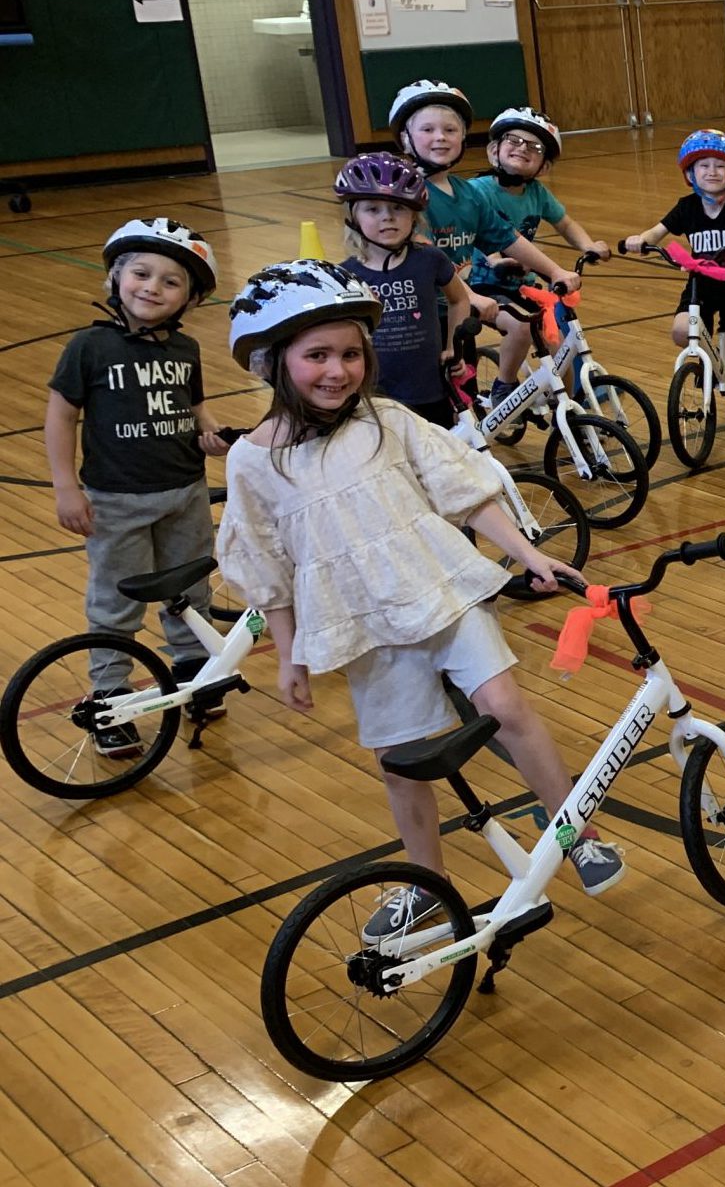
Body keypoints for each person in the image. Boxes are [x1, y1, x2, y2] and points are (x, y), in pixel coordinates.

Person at [214, 260, 626, 927]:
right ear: (271, 362)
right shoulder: (252, 459)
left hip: (438, 587)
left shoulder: (386, 420)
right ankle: (427, 884)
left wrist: (527, 554)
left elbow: (462, 490)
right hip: (362, 620)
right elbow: (268, 566)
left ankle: (576, 830)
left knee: (503, 705)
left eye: (350, 353)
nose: (337, 370)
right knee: (400, 764)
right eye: (316, 355)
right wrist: (289, 655)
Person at [44, 219, 231, 756]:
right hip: (115, 500)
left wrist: (209, 433)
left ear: (190, 298)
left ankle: (193, 670)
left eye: (170, 281)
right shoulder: (90, 347)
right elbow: (60, 418)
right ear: (116, 278)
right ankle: (109, 697)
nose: (152, 287)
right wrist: (65, 488)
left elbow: (193, 406)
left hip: (185, 490)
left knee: (188, 591)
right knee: (116, 602)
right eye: (141, 274)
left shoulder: (186, 348)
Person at [619, 129, 725, 433]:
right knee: (678, 333)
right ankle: (711, 360)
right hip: (701, 288)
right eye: (703, 165)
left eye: (719, 166)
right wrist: (640, 240)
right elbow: (656, 233)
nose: (711, 172)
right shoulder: (686, 208)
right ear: (690, 173)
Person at [386, 80, 574, 357]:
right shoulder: (406, 195)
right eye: (427, 129)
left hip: (458, 311)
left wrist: (555, 270)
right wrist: (470, 295)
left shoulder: (468, 194)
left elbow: (508, 238)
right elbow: (427, 255)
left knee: (465, 388)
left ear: (463, 137)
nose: (440, 137)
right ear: (405, 138)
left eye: (450, 130)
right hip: (419, 317)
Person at [464, 108, 610, 398]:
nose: (522, 149)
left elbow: (565, 223)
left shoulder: (538, 194)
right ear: (494, 151)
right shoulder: (477, 191)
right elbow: (474, 235)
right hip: (482, 285)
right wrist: (495, 260)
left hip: (523, 286)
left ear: (544, 166)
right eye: (514, 141)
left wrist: (587, 245)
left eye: (534, 147)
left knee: (560, 351)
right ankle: (503, 385)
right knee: (519, 328)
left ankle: (568, 412)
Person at [333, 152, 478, 429]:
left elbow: (459, 300)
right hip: (375, 394)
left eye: (398, 208)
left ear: (414, 214)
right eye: (373, 209)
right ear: (353, 216)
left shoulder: (430, 259)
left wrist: (452, 348)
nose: (387, 218)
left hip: (430, 388)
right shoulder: (347, 276)